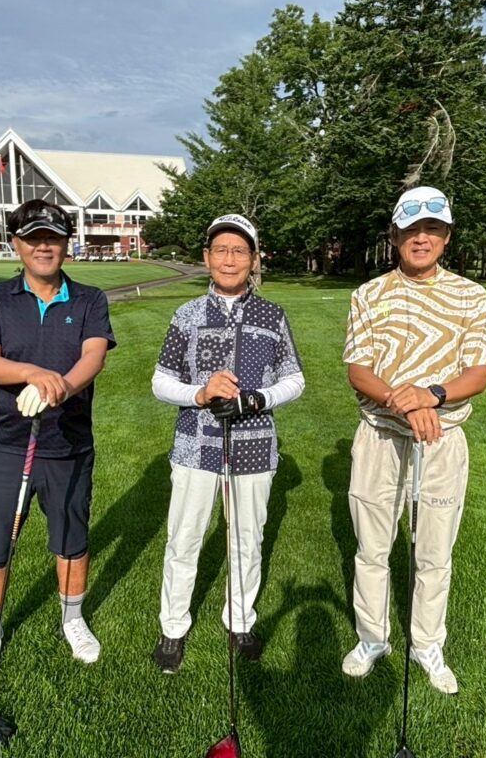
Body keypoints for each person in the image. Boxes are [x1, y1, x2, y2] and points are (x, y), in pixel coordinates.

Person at [341, 186, 486, 694]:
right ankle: (372, 637)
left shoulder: (470, 295)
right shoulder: (368, 295)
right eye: (411, 229)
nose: (421, 238)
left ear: (447, 237)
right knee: (372, 547)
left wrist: (430, 396)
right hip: (380, 437)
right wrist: (404, 403)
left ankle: (427, 642)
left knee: (434, 551)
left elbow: (477, 373)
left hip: (442, 439)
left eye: (433, 229)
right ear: (394, 236)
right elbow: (358, 371)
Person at [0, 199, 116, 688]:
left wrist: (60, 387)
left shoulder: (89, 299)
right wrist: (33, 373)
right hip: (7, 443)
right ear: (16, 245)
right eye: (33, 239)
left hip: (68, 443)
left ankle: (72, 619)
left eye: (53, 238)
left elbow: (94, 357)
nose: (43, 247)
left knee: (71, 538)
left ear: (67, 244)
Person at [150, 214, 305, 673]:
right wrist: (199, 394)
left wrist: (258, 398)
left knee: (247, 540)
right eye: (221, 250)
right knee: (184, 538)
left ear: (253, 260)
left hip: (254, 447)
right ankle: (173, 626)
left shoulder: (272, 315)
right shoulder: (186, 315)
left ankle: (240, 620)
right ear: (207, 258)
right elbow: (161, 381)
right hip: (195, 446)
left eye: (240, 250)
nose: (230, 259)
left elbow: (295, 379)